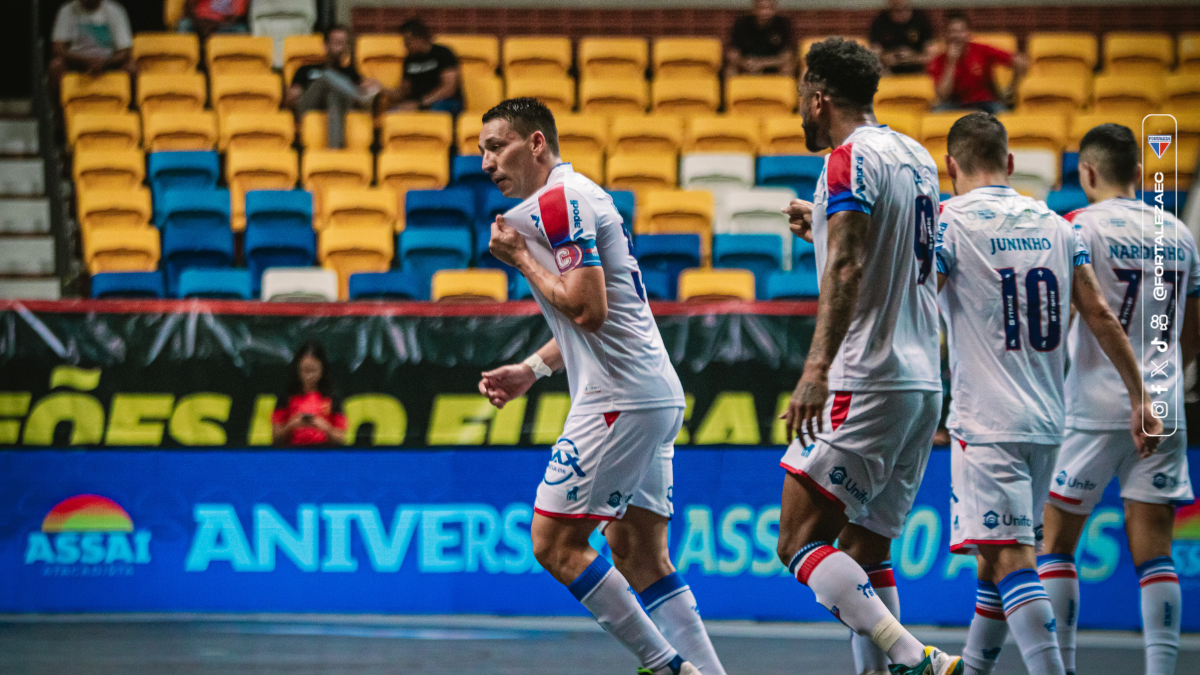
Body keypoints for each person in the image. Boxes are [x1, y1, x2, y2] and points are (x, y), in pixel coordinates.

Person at [476, 98, 722, 675]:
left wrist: (520, 260)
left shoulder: (559, 202)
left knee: (554, 543)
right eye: (481, 150)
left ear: (536, 143)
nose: (486, 162)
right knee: (640, 556)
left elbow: (586, 310)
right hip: (650, 394)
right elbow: (598, 318)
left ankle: (668, 667)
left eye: (496, 146)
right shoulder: (572, 196)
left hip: (620, 400)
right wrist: (530, 370)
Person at [935, 114, 1161, 675]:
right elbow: (1100, 313)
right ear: (1010, 163)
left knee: (1012, 557)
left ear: (950, 166)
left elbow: (913, 301)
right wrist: (1139, 394)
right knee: (994, 560)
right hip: (1047, 421)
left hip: (987, 423)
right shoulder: (1058, 225)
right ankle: (973, 668)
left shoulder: (949, 221)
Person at [777, 37, 959, 675]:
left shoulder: (845, 160)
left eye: (802, 95)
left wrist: (816, 369)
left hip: (866, 374)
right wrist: (821, 222)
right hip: (919, 380)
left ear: (819, 98)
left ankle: (916, 658)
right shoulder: (914, 155)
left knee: (798, 541)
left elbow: (851, 265)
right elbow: (897, 248)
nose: (800, 107)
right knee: (866, 548)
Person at [1040, 123, 1197, 675]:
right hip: (1163, 405)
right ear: (1137, 173)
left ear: (1086, 173)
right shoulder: (1178, 232)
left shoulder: (1074, 227)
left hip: (1089, 405)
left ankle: (1062, 668)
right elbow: (1193, 328)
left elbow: (1054, 320)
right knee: (1154, 552)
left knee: (1055, 545)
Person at [287, 26, 381, 150]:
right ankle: (361, 97)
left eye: (343, 44)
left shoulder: (350, 72)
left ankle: (335, 150)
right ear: (326, 45)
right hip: (308, 106)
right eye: (337, 43)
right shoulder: (306, 69)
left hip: (340, 107)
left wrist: (372, 85)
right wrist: (295, 93)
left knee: (334, 96)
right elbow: (290, 99)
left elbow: (363, 90)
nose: (341, 48)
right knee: (327, 76)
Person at [927, 12, 1026, 114]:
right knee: (936, 113)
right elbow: (943, 96)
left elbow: (1020, 62)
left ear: (968, 33)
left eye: (961, 31)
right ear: (945, 34)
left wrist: (1011, 90)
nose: (956, 35)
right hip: (955, 104)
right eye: (952, 31)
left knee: (1003, 115)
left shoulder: (982, 50)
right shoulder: (938, 60)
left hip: (985, 103)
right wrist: (951, 61)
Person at [272, 341, 347, 447]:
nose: (309, 376)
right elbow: (276, 437)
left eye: (313, 370)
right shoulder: (287, 396)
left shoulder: (332, 397)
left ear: (322, 369)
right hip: (292, 453)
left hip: (324, 453)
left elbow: (341, 439)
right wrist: (291, 424)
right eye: (305, 370)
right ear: (298, 369)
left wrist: (324, 426)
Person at [389, 18, 462, 114]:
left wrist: (420, 104)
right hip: (420, 104)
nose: (405, 46)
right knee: (393, 113)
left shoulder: (443, 53)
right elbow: (403, 92)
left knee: (435, 110)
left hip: (446, 102)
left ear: (420, 39)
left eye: (408, 41)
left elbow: (449, 88)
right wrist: (380, 89)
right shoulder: (409, 60)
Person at [49, 0, 134, 82]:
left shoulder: (115, 10)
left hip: (108, 63)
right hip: (76, 63)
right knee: (56, 66)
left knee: (131, 68)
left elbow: (125, 51)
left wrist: (105, 63)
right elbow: (58, 48)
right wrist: (84, 61)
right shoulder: (67, 10)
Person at [725, 0, 793, 77]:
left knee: (787, 68)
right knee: (730, 68)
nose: (765, 12)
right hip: (747, 64)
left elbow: (787, 56)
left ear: (775, 10)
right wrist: (744, 63)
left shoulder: (782, 24)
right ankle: (732, 89)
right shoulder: (742, 24)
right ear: (754, 9)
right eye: (761, 8)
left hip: (772, 65)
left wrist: (762, 63)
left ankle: (785, 89)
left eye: (769, 8)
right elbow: (732, 54)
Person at [869, 0, 935, 75]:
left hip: (917, 74)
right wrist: (885, 58)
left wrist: (913, 58)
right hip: (889, 75)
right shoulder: (879, 22)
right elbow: (874, 54)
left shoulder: (921, 19)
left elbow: (931, 56)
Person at [177, 0, 249, 38]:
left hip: (222, 27)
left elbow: (238, 16)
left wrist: (217, 25)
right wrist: (200, 23)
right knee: (184, 24)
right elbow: (188, 8)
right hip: (200, 22)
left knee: (241, 30)